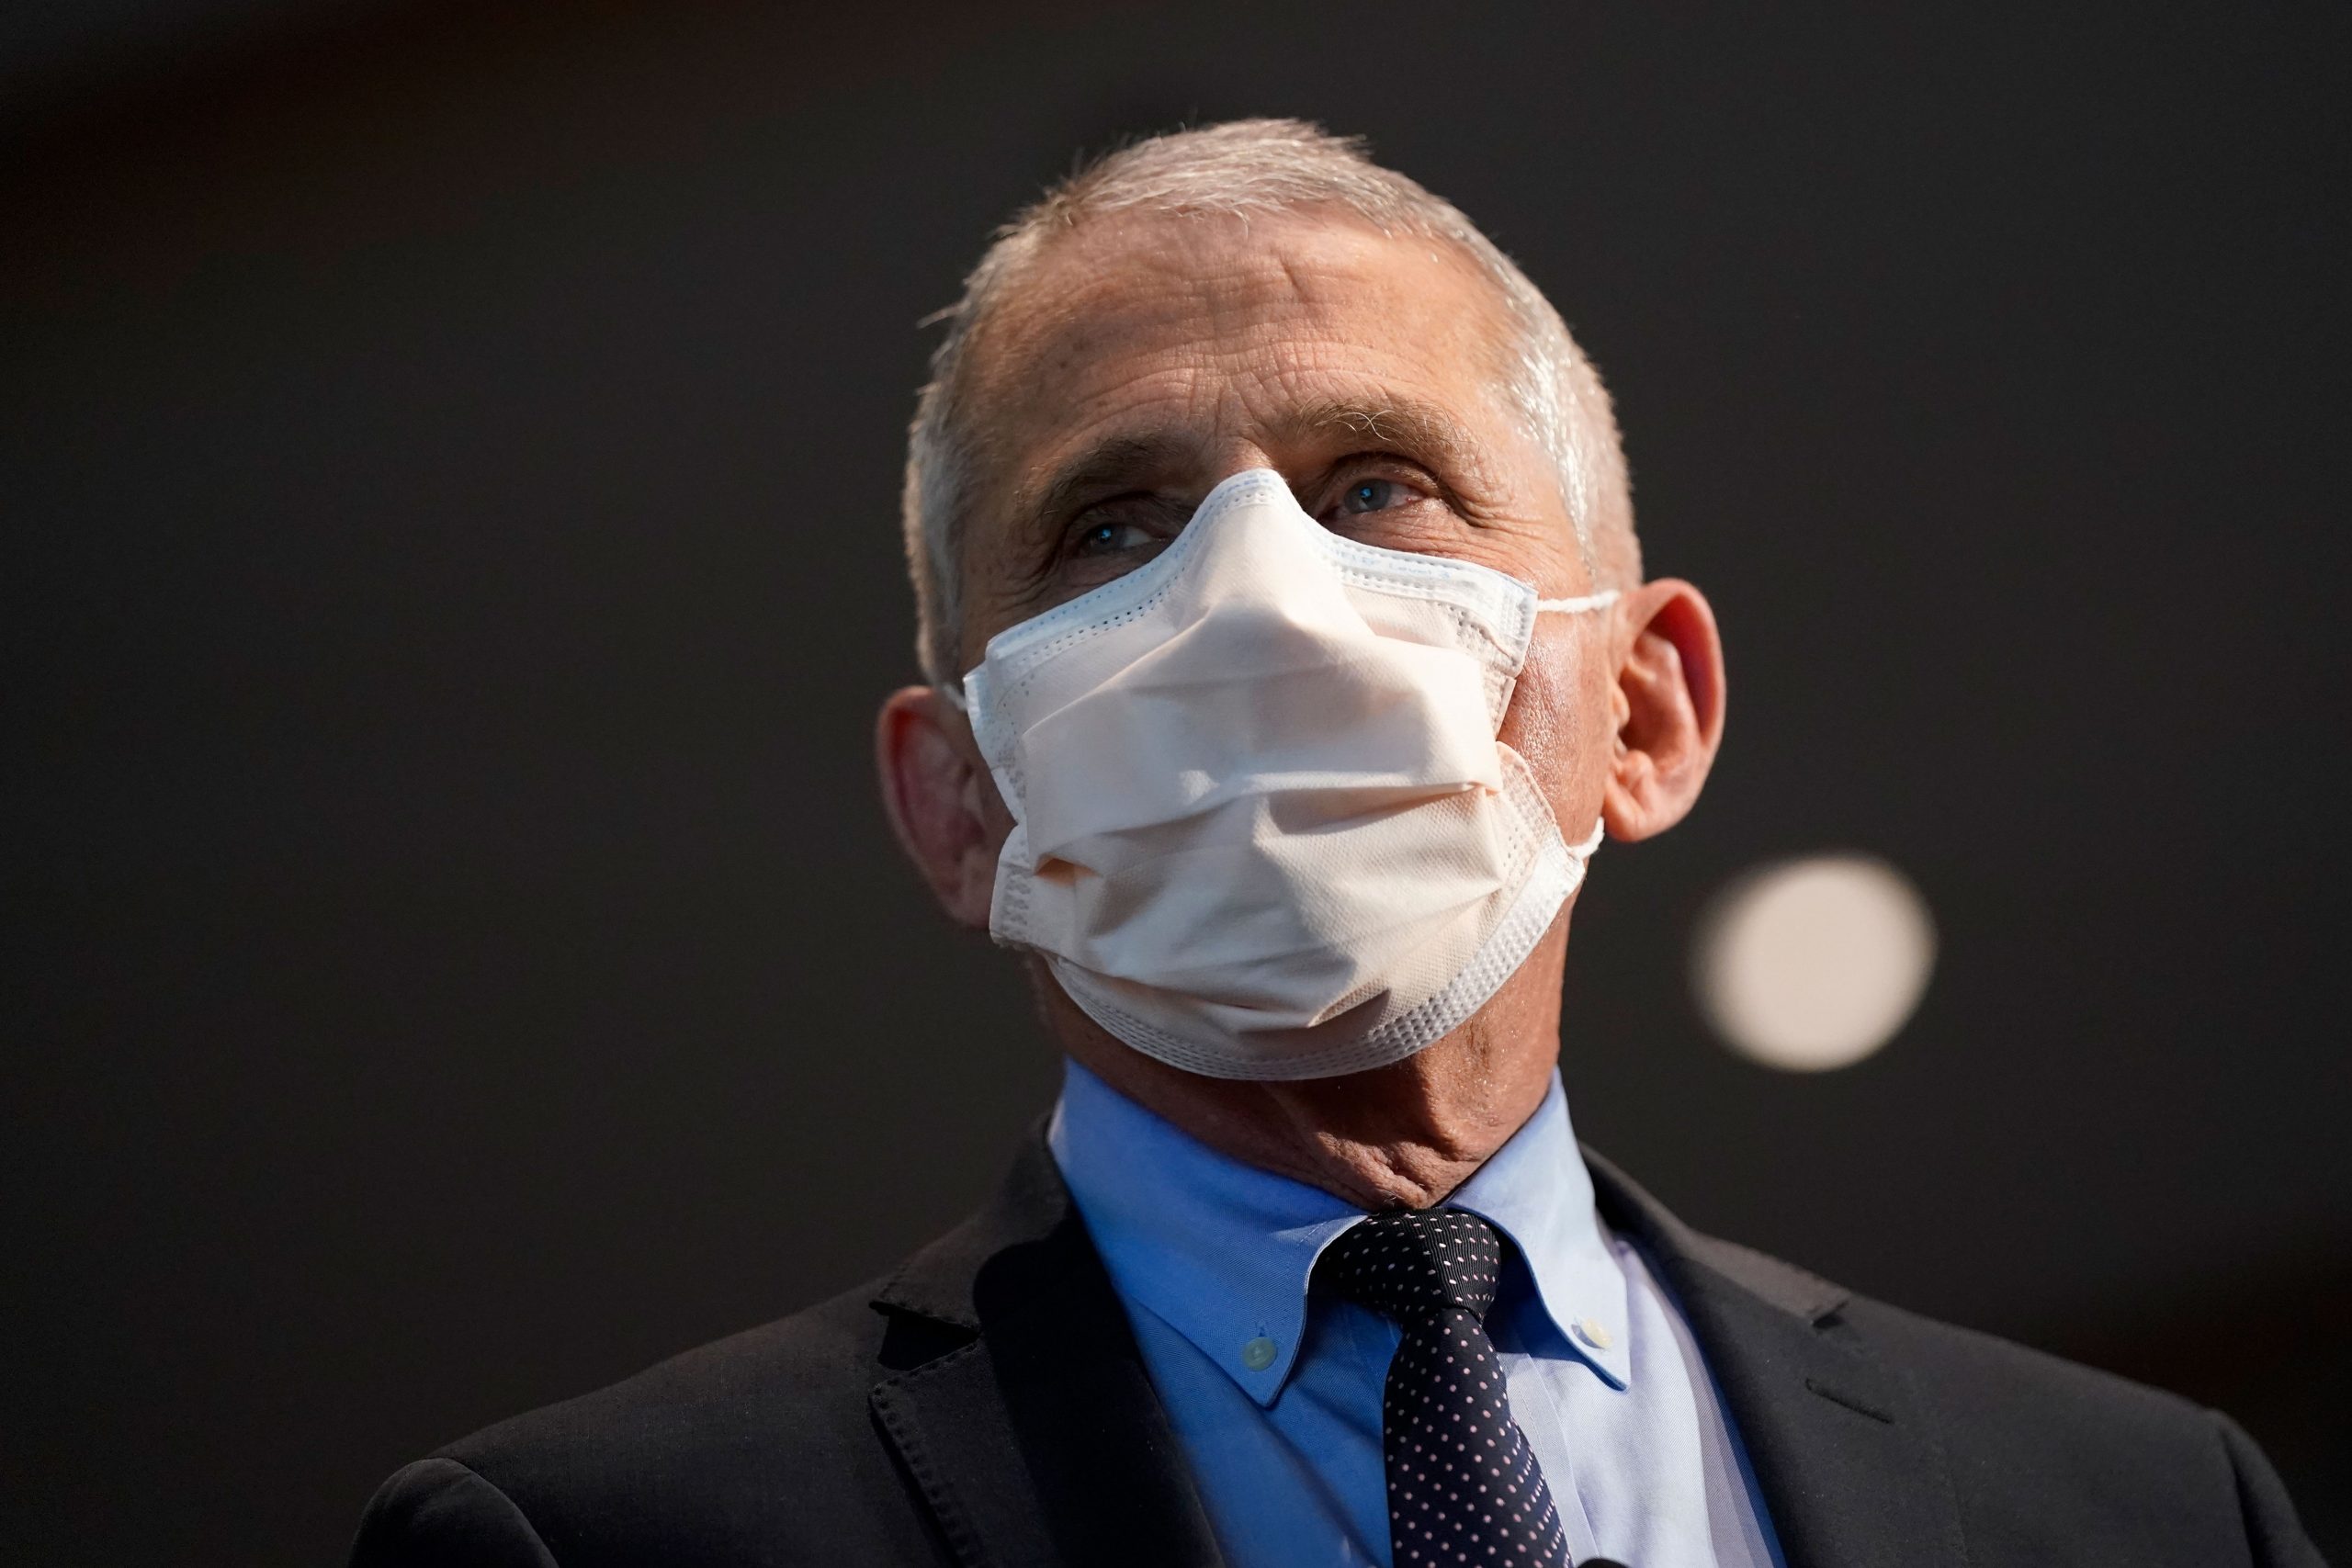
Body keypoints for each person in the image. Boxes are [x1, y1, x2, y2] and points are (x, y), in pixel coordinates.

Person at [349, 119, 2323, 1568]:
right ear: (958, 801)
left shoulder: (2137, 1513)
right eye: (1109, 524)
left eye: (1373, 482)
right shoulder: (600, 1546)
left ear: (1642, 709)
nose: (1257, 600)